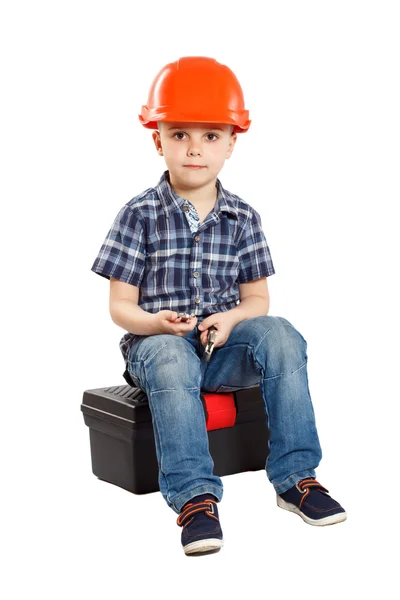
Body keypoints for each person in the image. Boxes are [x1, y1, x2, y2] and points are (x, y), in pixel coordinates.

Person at [91, 56, 347, 556]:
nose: (194, 148)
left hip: (223, 347)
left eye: (211, 136)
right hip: (157, 347)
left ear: (232, 143)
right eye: (180, 133)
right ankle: (195, 499)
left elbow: (257, 299)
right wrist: (156, 323)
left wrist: (230, 318)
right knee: (168, 354)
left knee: (280, 332)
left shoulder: (244, 218)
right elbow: (120, 306)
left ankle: (297, 478)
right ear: (157, 139)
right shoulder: (138, 214)